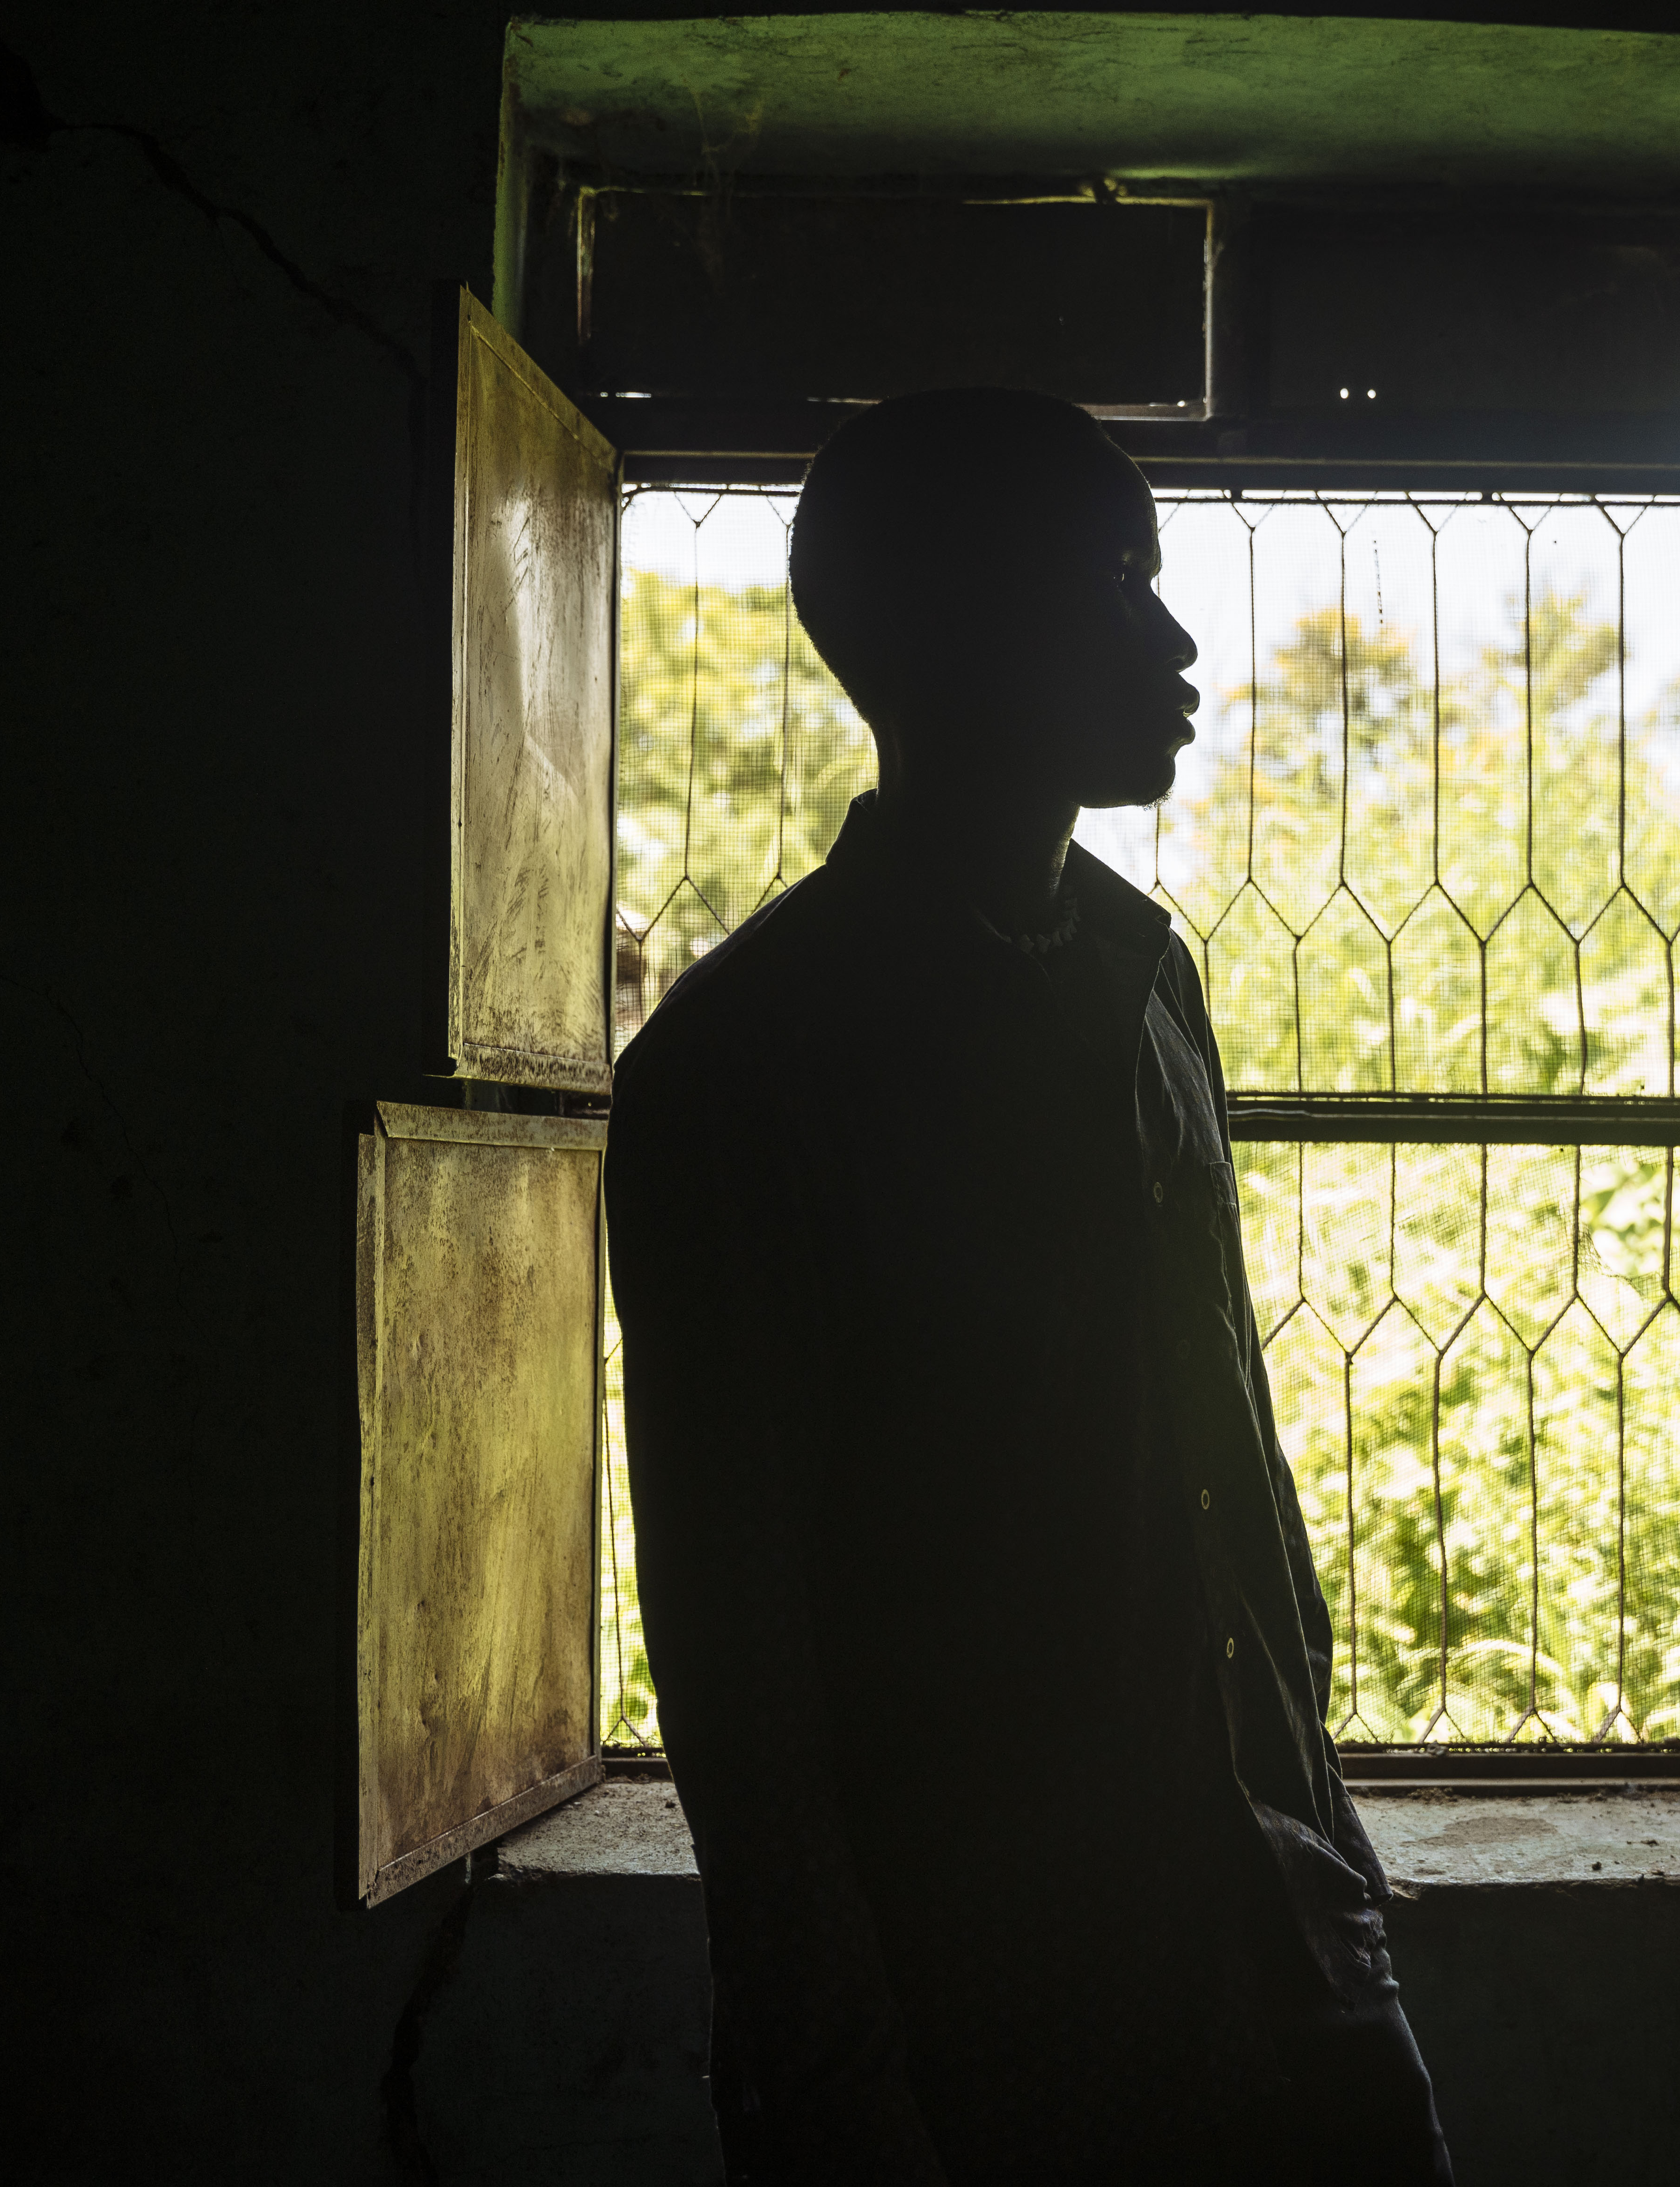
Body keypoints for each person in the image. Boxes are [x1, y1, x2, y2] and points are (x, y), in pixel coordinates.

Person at [607, 387, 1455, 2187]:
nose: (1174, 638)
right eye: (1110, 585)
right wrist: (838, 2079)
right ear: (955, 631)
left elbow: (1224, 1455)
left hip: (1267, 1924)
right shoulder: (750, 1063)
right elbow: (735, 1641)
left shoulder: (1144, 985)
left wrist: (1321, 1844)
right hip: (969, 2014)